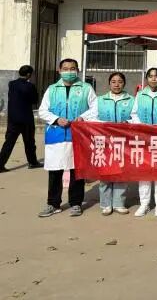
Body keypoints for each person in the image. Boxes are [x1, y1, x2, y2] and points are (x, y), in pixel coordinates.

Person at [37, 59, 97, 218]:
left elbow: (95, 108)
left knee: (76, 170)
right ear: (59, 70)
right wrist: (56, 119)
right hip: (56, 135)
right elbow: (42, 111)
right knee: (55, 171)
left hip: (78, 136)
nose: (69, 71)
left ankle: (76, 203)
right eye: (65, 68)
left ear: (77, 70)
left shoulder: (86, 88)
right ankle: (53, 203)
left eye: (72, 68)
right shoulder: (52, 89)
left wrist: (83, 117)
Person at [130, 67, 157, 218]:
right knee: (144, 171)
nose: (153, 79)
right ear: (147, 79)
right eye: (150, 76)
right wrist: (142, 126)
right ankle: (144, 204)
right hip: (143, 138)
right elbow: (134, 114)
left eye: (156, 76)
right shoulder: (140, 95)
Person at [96, 72, 134, 216]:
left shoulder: (131, 100)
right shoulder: (100, 100)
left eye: (120, 82)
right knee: (105, 171)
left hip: (123, 141)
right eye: (113, 82)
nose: (116, 84)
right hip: (104, 140)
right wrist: (104, 125)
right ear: (109, 83)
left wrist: (127, 122)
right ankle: (106, 204)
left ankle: (119, 203)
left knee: (121, 171)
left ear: (124, 83)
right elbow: (93, 117)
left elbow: (135, 116)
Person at [0, 65, 41, 172]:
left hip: (13, 119)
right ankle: (32, 162)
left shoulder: (12, 84)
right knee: (29, 142)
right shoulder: (30, 86)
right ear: (28, 74)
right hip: (26, 119)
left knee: (8, 143)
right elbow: (34, 100)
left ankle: (0, 164)